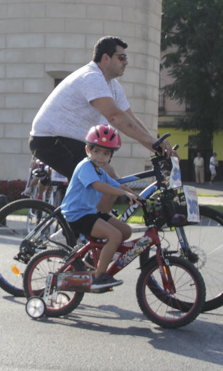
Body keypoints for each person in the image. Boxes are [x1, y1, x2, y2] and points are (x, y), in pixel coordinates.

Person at [29, 36, 173, 211]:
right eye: (121, 57)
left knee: (113, 184)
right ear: (106, 58)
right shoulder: (91, 77)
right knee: (107, 183)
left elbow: (131, 119)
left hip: (72, 141)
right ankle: (77, 232)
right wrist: (154, 145)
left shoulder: (113, 86)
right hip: (50, 140)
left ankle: (93, 234)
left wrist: (156, 145)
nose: (126, 62)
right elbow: (116, 118)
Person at [63, 125, 145, 290]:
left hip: (91, 213)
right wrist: (125, 195)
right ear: (88, 149)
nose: (101, 156)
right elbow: (98, 186)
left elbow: (117, 185)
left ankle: (94, 259)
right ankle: (100, 276)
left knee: (125, 232)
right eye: (97, 151)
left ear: (111, 156)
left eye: (106, 153)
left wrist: (138, 197)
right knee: (114, 236)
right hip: (77, 215)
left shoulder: (99, 170)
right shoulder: (85, 166)